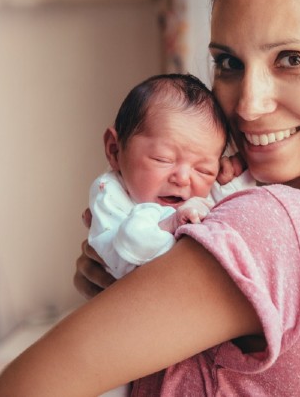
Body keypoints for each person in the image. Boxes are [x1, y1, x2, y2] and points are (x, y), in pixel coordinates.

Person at [0, 0, 300, 395]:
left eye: (292, 59)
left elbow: (20, 388)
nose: (248, 105)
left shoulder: (271, 226)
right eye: (229, 63)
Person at [87, 73, 255, 279]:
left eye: (204, 170)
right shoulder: (110, 193)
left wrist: (237, 178)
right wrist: (172, 223)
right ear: (114, 150)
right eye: (162, 159)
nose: (183, 178)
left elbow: (235, 211)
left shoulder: (198, 195)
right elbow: (130, 248)